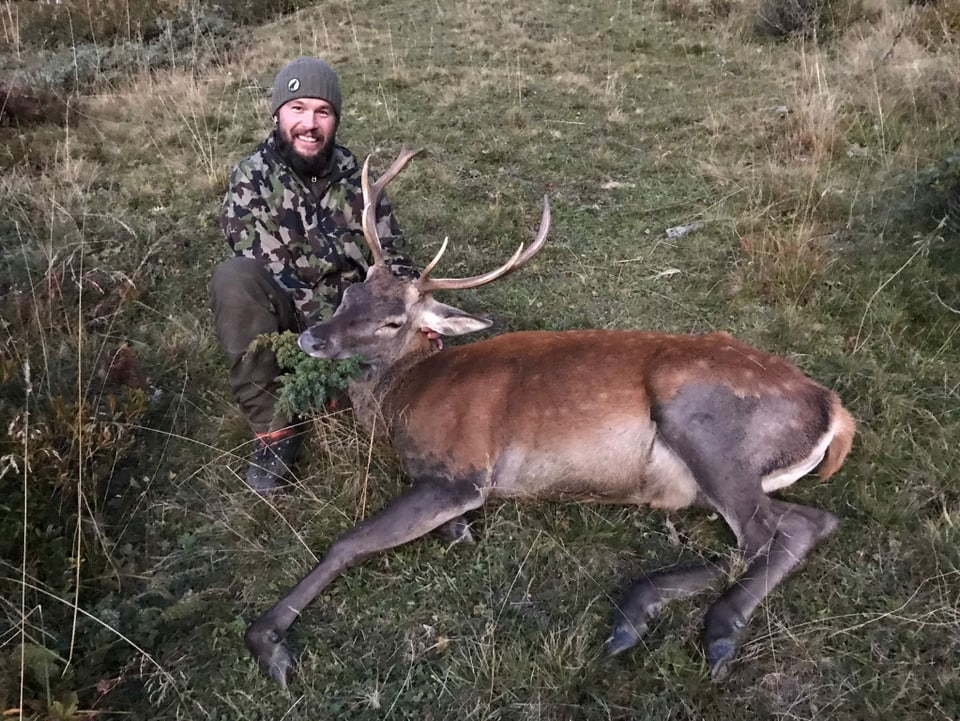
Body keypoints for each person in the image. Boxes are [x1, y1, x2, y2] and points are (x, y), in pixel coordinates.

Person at [209, 56, 418, 493]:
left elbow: (393, 256)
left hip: (355, 326)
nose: (310, 123)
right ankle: (275, 429)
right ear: (278, 114)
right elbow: (271, 274)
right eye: (297, 109)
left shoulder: (357, 179)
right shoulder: (251, 181)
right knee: (234, 280)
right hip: (293, 324)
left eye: (322, 111)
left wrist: (408, 304)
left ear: (335, 119)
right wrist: (324, 337)